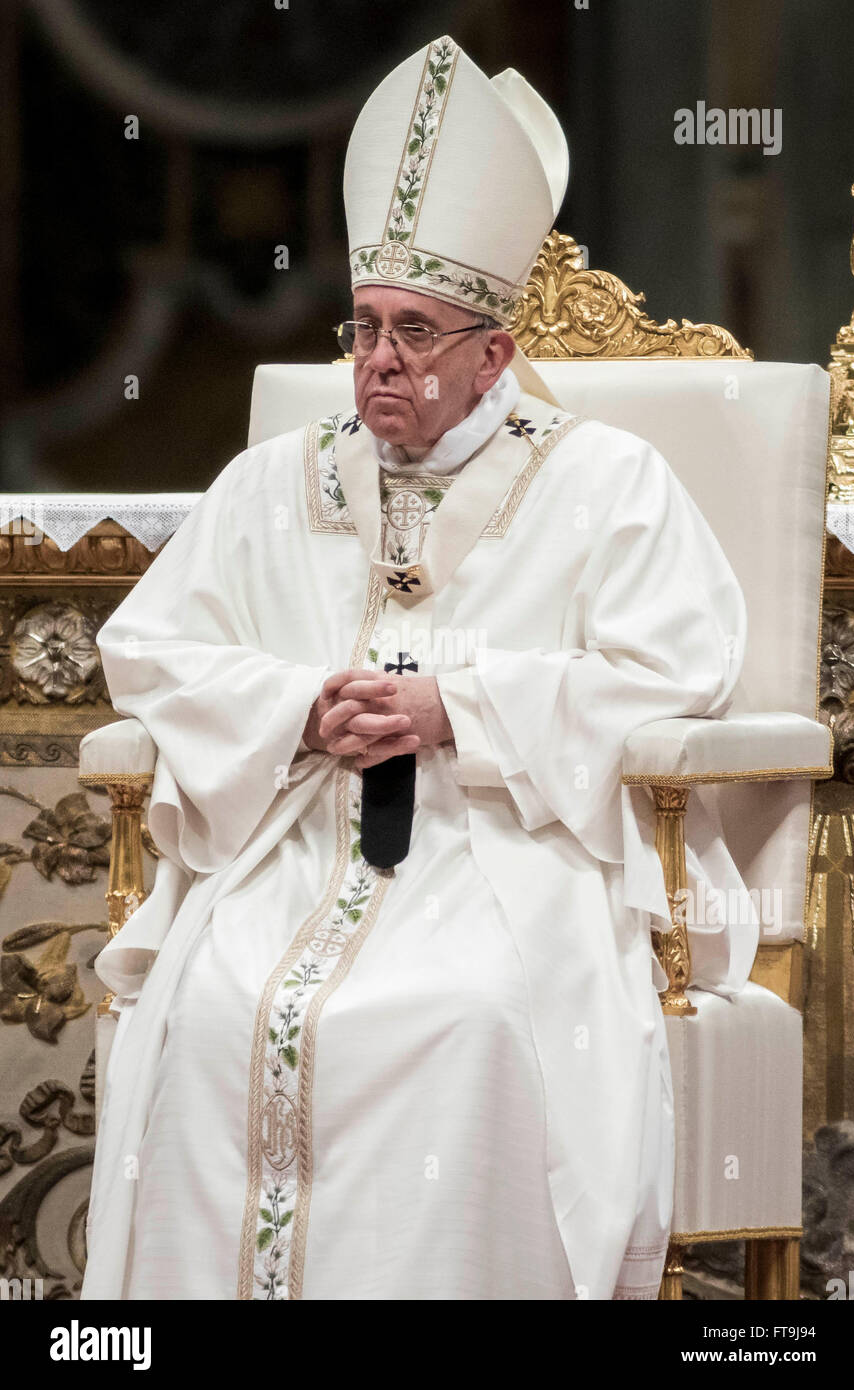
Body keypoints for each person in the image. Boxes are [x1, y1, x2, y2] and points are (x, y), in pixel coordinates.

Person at [81, 35, 751, 1301]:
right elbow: (152, 646)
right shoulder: (279, 479)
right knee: (213, 1010)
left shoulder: (602, 483)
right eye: (366, 328)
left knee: (460, 1017)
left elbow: (678, 668)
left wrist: (462, 708)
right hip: (295, 854)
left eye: (416, 336)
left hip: (504, 857)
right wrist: (296, 708)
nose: (378, 361)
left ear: (493, 354)